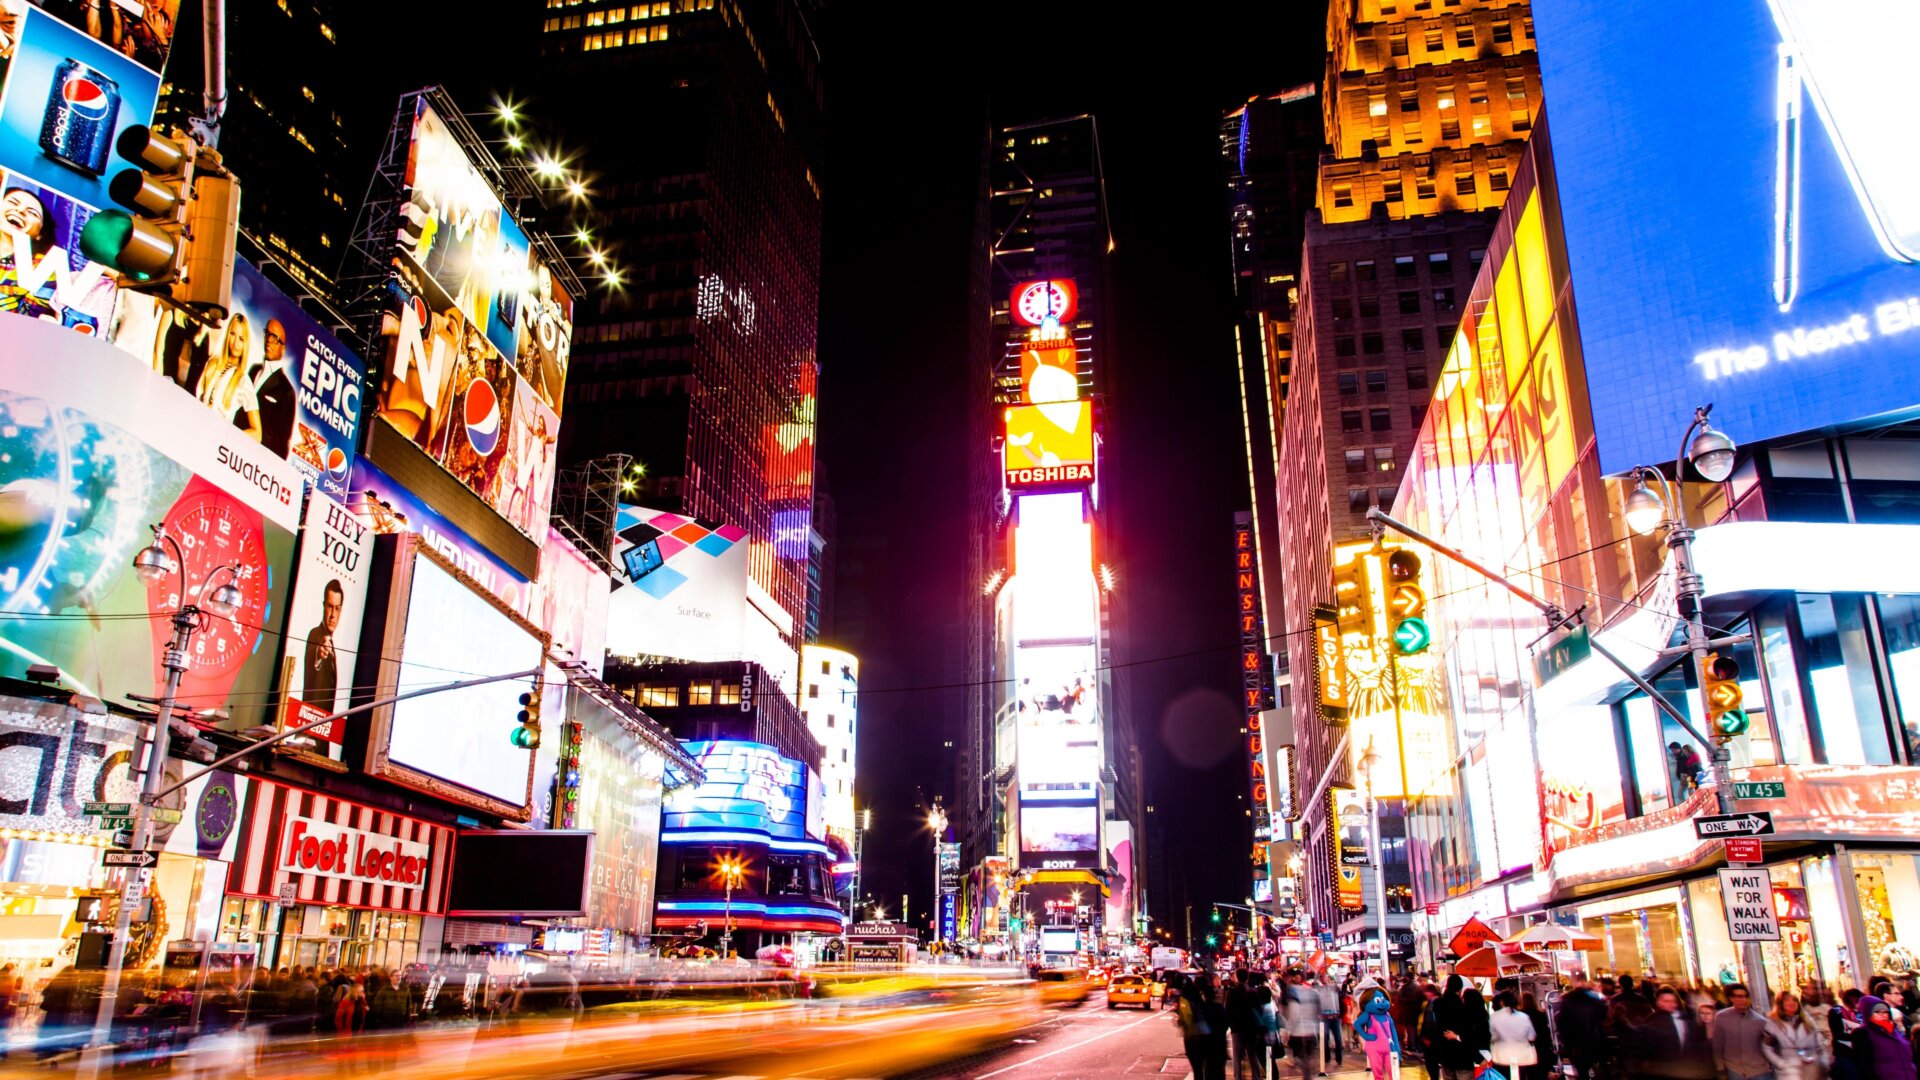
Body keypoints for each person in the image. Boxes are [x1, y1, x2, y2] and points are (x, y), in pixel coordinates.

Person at [1625, 986, 1716, 1080]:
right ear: (1658, 1003)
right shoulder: (1652, 1021)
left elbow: (1697, 1046)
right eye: (1666, 1001)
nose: (1670, 1004)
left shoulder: (1685, 1020)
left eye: (1673, 1001)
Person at [198, 313, 263, 442]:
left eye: (241, 338)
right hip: (197, 429)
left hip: (216, 441)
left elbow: (257, 433)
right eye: (232, 334)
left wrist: (229, 436)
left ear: (246, 343)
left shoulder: (243, 381)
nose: (235, 342)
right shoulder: (212, 363)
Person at [252, 317, 299, 456]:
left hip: (255, 462)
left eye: (275, 338)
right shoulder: (253, 370)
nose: (269, 340)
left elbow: (282, 442)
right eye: (267, 334)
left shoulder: (286, 390)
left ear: (283, 349)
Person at [1716, 984, 1777, 1080]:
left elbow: (1769, 1046)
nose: (1744, 1000)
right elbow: (1718, 1044)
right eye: (1739, 996)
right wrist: (1720, 1067)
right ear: (1731, 998)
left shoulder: (1760, 1021)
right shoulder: (1721, 1017)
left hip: (1759, 1069)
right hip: (1734, 1068)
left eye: (1746, 996)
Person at [1558, 975, 1612, 1080]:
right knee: (1601, 1070)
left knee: (1582, 1072)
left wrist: (1566, 1042)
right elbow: (1604, 1018)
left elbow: (1562, 1023)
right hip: (1595, 1041)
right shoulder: (1595, 999)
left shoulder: (1568, 1000)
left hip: (1577, 1043)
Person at [1764, 991, 1827, 1080]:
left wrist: (1822, 1061)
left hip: (1812, 1068)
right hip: (1789, 1071)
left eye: (1794, 1000)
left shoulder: (1808, 1020)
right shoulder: (1773, 1024)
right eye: (1787, 1000)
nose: (1791, 1003)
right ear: (1780, 1004)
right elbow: (1767, 1048)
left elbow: (1820, 1043)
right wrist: (1782, 1064)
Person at [303, 579, 345, 713]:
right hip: (309, 722)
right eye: (330, 606)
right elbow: (312, 655)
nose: (333, 615)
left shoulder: (332, 644)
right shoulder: (316, 634)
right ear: (323, 606)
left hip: (324, 727)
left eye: (337, 608)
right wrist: (318, 654)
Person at [1849, 996, 1913, 1080]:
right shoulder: (1863, 1033)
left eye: (1885, 1011)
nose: (1883, 1015)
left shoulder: (1895, 1031)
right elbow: (1864, 1066)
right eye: (1877, 1012)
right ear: (1868, 1013)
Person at [1356, 981, 1402, 1080]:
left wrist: (1397, 1049)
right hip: (1374, 1048)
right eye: (1378, 1000)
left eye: (1383, 999)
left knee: (1394, 1074)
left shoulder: (1387, 1016)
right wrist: (1366, 1036)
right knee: (1378, 1074)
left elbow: (1393, 1032)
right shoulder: (1368, 1015)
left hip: (1390, 1048)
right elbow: (1357, 1024)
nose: (1382, 1004)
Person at [1492, 991, 1539, 1080]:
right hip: (1521, 1057)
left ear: (1501, 1002)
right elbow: (1531, 1036)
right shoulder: (1523, 1016)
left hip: (1502, 1057)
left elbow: (1492, 1037)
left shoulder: (1494, 1017)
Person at [1830, 990, 1863, 1080]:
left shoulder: (1859, 1014)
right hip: (1844, 1055)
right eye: (1858, 1002)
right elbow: (1838, 1033)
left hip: (1858, 1055)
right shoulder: (1836, 1012)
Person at [1522, 991, 1553, 1080]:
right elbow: (1546, 1032)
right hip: (1541, 1048)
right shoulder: (1541, 1015)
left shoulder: (1521, 1015)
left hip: (1527, 1048)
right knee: (1541, 1073)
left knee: (1530, 1073)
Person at [1320, 974, 1347, 1069]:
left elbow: (1342, 994)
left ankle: (1339, 1060)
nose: (1326, 980)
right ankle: (1327, 1058)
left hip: (1335, 1016)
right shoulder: (1319, 989)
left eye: (1328, 978)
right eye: (1324, 978)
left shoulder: (1335, 988)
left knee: (1338, 1039)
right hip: (1324, 1017)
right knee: (1325, 1038)